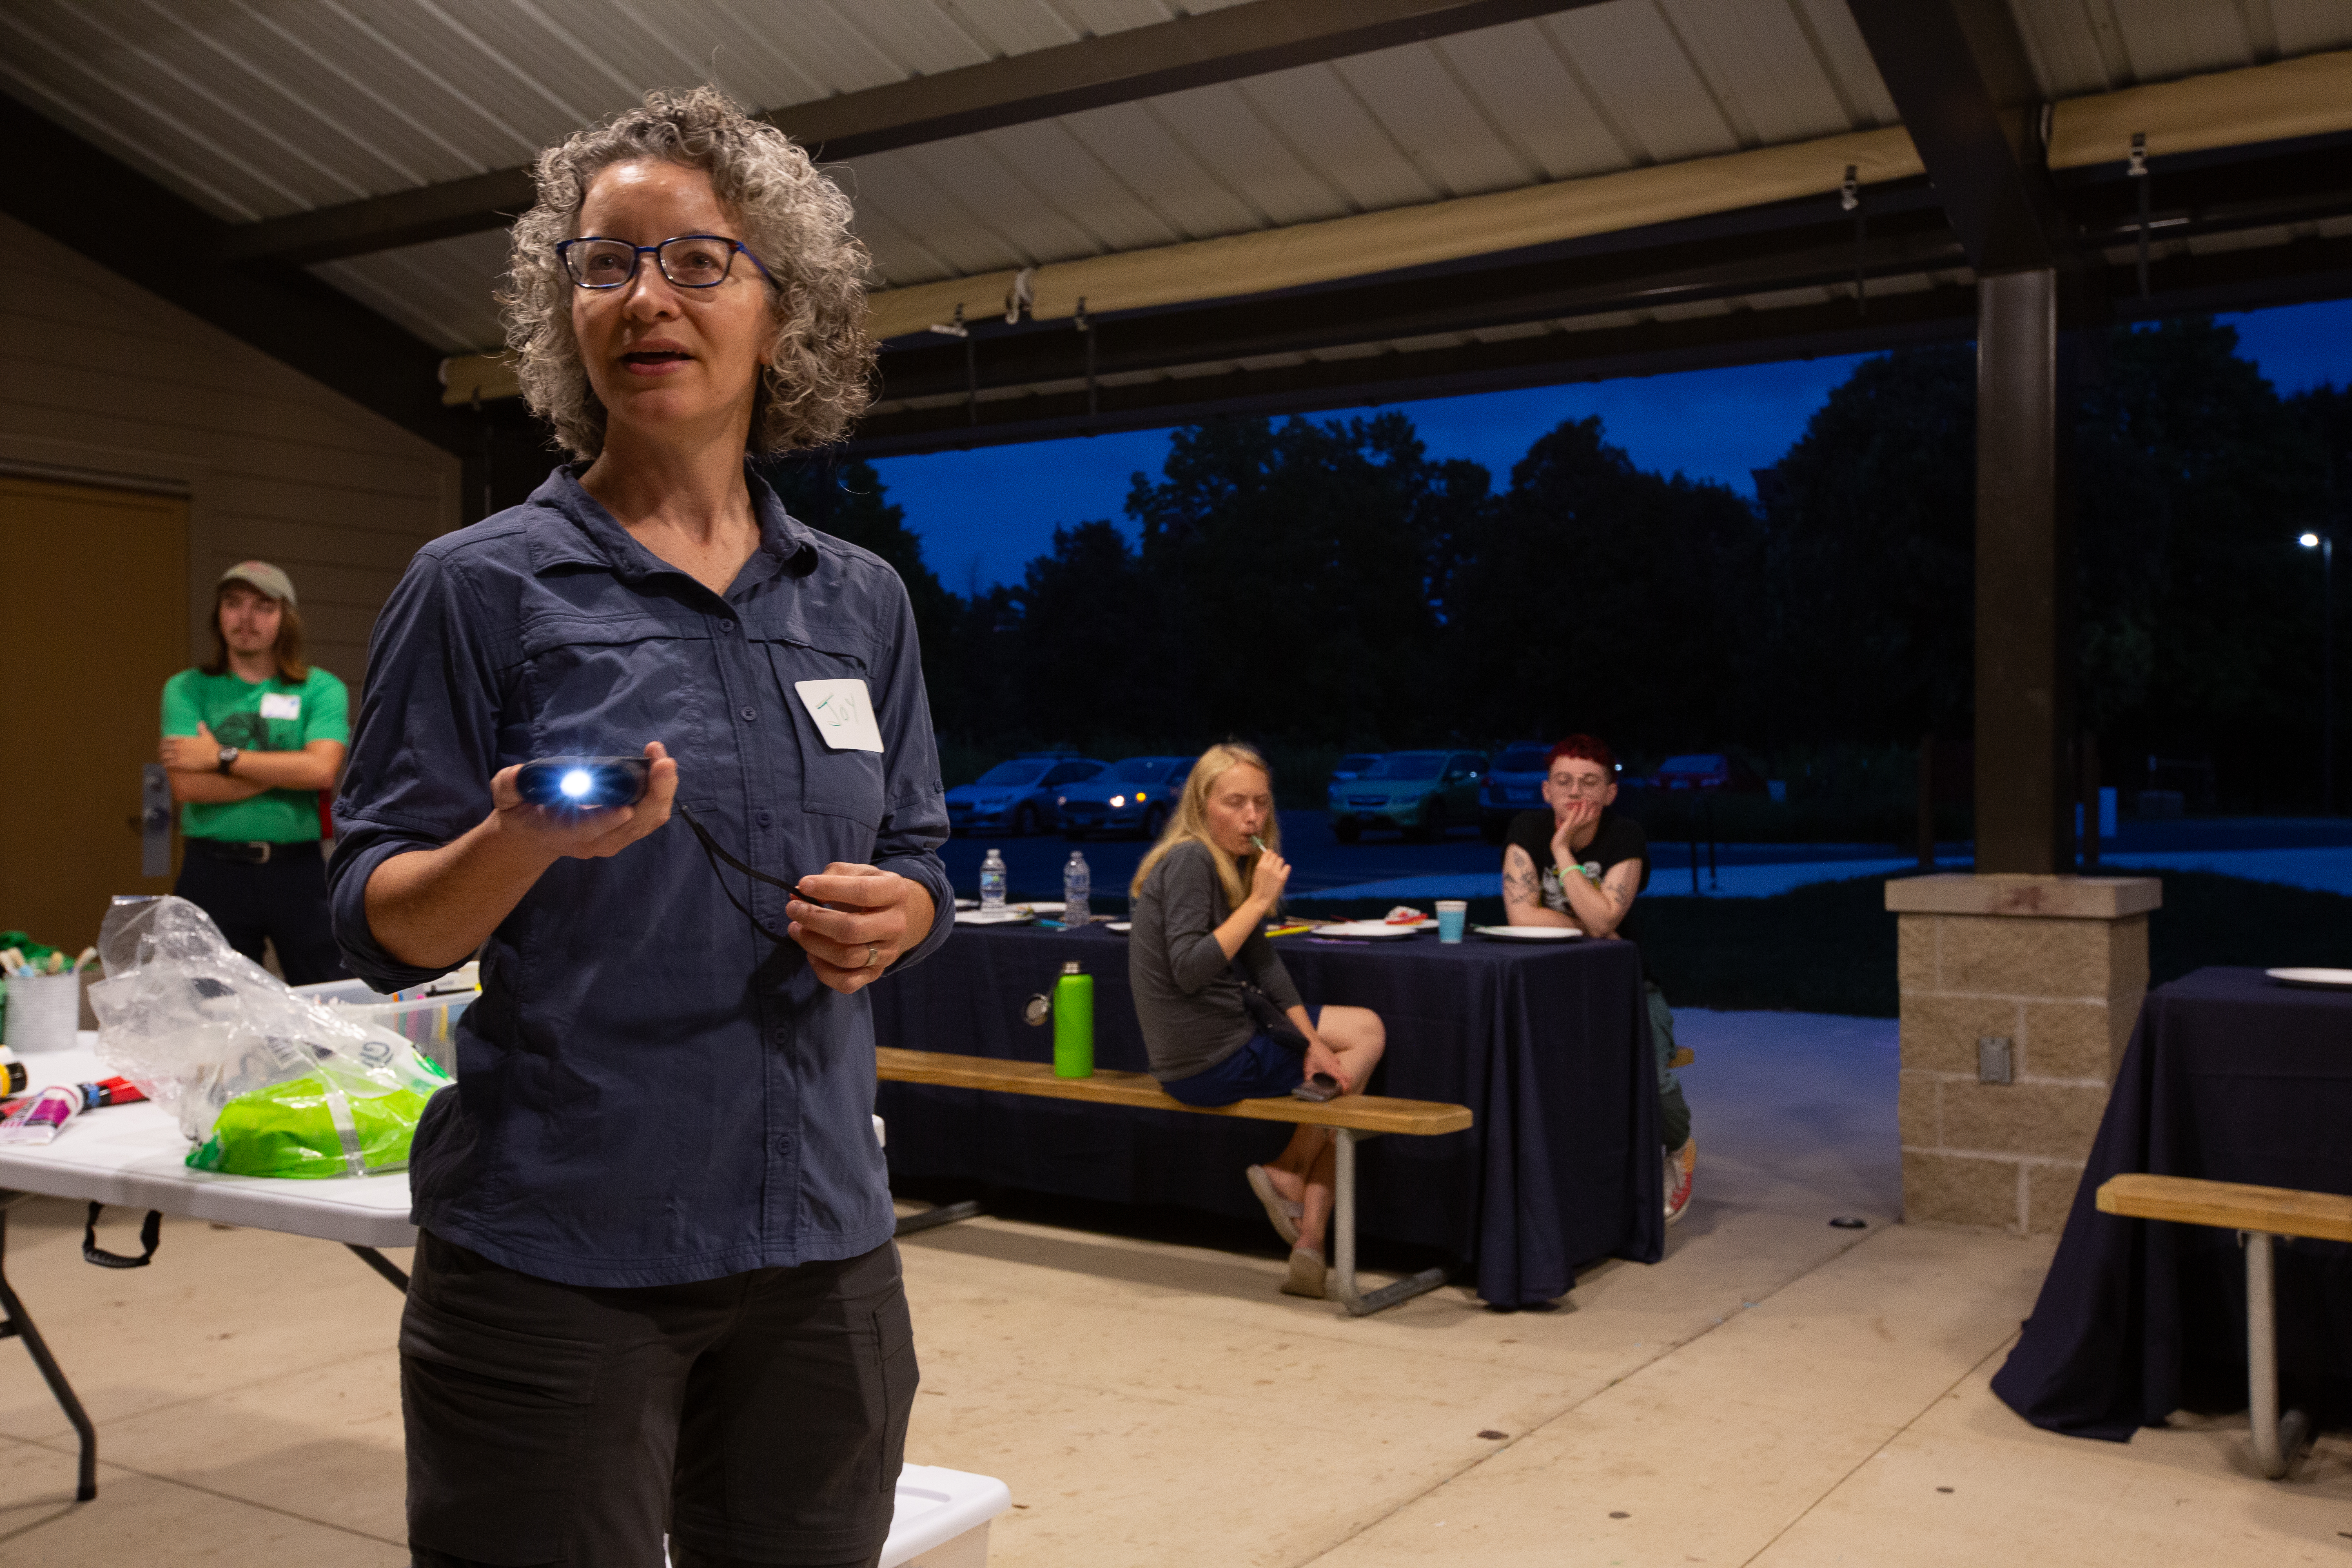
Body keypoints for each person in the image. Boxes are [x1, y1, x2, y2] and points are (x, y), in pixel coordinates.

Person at [325, 89, 950, 1568]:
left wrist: (905, 915)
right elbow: (372, 920)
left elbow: (920, 848)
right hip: (558, 1260)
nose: (644, 299)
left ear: (781, 312)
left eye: (694, 261)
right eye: (604, 265)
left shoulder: (857, 602)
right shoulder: (479, 587)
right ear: (565, 317)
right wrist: (517, 844)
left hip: (819, 1248)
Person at [1128, 742, 1388, 1299]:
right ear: (1202, 806)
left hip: (1210, 1052)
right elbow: (1191, 970)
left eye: (1262, 804)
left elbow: (1262, 963)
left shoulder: (1228, 863)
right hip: (1207, 1061)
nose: (1251, 817)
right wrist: (1258, 901)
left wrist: (1313, 1043)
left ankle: (1309, 1239)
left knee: (1349, 1054)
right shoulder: (1191, 860)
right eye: (1235, 802)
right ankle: (1296, 1186)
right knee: (1365, 1041)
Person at [1501, 734, 1696, 1224]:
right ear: (1546, 790)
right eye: (1563, 782)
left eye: (1589, 784)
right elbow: (1522, 915)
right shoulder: (1525, 827)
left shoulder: (1625, 836)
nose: (1575, 794)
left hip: (1627, 987)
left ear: (1610, 792)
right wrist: (1587, 925)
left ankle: (1679, 1146)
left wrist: (1563, 851)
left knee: (1654, 1077)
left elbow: (1608, 920)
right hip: (1549, 985)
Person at [158, 561, 350, 983]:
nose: (246, 618)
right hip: (212, 871)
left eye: (264, 606)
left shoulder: (321, 689)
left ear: (286, 619)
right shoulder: (186, 688)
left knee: (328, 1001)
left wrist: (220, 757)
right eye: (233, 604)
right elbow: (188, 785)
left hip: (298, 871)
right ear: (218, 614)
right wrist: (285, 769)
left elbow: (321, 771)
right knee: (208, 1009)